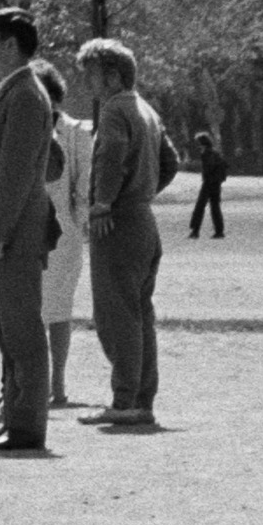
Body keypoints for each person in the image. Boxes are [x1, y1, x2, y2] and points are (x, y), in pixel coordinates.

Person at [0, 7, 58, 458]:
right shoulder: (15, 91)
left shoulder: (24, 95)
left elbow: (16, 174)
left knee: (22, 331)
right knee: (10, 331)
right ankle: (16, 421)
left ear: (9, 44)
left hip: (15, 236)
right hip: (4, 235)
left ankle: (26, 426)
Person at [77, 37, 170, 431]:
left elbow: (111, 154)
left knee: (116, 315)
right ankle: (141, 399)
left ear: (113, 76)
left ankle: (125, 399)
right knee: (139, 314)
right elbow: (172, 160)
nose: (88, 84)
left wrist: (104, 203)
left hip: (117, 223)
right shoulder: (145, 108)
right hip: (143, 220)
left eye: (92, 75)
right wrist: (142, 192)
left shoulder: (115, 110)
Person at [37, 65, 92, 410]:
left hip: (63, 234)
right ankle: (21, 381)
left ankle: (57, 381)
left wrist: (77, 223)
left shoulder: (74, 133)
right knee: (24, 310)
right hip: (27, 228)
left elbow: (83, 184)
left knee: (58, 310)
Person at [187, 129, 228, 239]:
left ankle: (195, 231)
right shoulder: (214, 152)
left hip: (209, 183)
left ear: (202, 143)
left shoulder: (207, 153)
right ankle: (219, 231)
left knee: (200, 207)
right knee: (215, 207)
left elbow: (209, 167)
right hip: (216, 183)